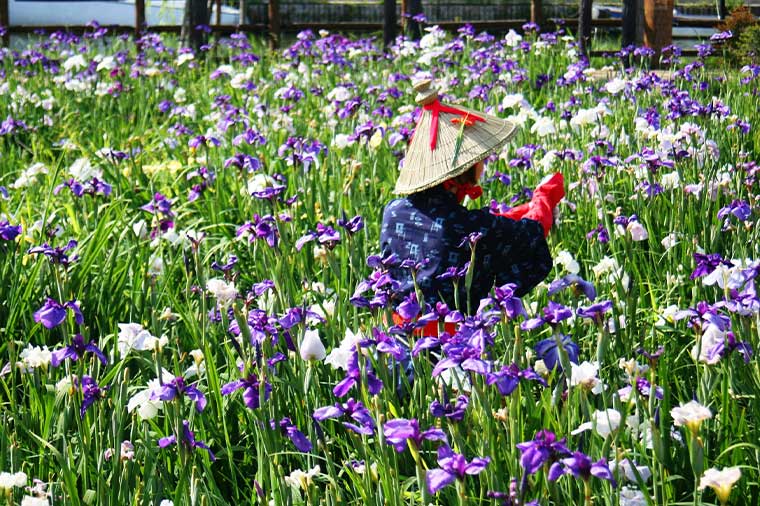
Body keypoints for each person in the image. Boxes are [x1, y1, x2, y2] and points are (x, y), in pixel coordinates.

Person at [380, 79, 564, 324]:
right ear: (460, 172)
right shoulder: (467, 226)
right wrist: (544, 197)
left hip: (396, 343)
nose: (482, 164)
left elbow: (459, 225)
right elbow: (531, 233)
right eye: (478, 159)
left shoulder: (392, 212)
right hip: (452, 347)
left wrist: (518, 212)